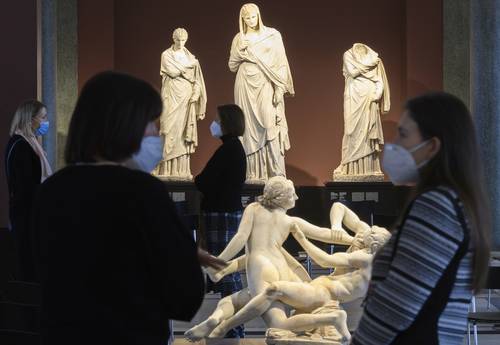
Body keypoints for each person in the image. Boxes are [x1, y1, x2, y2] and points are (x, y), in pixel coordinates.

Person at [32, 71, 221, 345]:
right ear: (124, 124)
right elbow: (184, 297)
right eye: (152, 124)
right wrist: (181, 251)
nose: (158, 134)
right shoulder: (143, 192)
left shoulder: (52, 190)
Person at [352, 92, 491, 345]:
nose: (393, 144)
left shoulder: (437, 206)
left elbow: (399, 302)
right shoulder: (452, 200)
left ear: (432, 146)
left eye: (403, 135)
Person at [186, 176, 356, 340]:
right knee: (232, 300)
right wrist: (355, 238)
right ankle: (216, 319)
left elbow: (241, 238)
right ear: (281, 197)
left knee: (278, 324)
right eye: (292, 194)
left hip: (261, 267)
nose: (296, 196)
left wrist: (218, 261)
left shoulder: (253, 208)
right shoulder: (290, 221)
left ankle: (331, 319)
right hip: (283, 268)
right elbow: (323, 233)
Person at [194, 104, 247, 338]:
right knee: (225, 268)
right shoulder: (233, 149)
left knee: (223, 268)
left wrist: (201, 181)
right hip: (227, 212)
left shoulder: (228, 150)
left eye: (217, 119)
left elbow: (203, 181)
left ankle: (231, 325)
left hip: (221, 214)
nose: (213, 123)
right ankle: (230, 324)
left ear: (226, 123)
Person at [229, 3, 294, 182]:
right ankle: (251, 173)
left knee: (269, 124)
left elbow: (281, 64)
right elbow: (232, 65)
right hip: (244, 83)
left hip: (265, 82)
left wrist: (279, 89)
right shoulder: (239, 38)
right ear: (242, 20)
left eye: (253, 16)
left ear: (259, 15)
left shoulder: (272, 35)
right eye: (247, 18)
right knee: (247, 130)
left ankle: (275, 173)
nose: (251, 21)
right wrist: (240, 53)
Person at [5, 99, 52, 281]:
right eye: (43, 117)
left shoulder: (29, 142)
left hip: (29, 211)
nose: (46, 121)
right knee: (27, 265)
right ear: (29, 119)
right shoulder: (21, 145)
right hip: (26, 213)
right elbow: (25, 186)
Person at [334, 43, 390, 180]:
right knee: (350, 131)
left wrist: (377, 93)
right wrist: (370, 63)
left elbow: (380, 81)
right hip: (353, 97)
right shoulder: (348, 55)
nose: (359, 54)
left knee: (367, 132)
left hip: (369, 98)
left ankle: (370, 168)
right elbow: (352, 73)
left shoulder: (374, 59)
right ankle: (348, 166)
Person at [156, 27, 206, 179]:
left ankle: (181, 170)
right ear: (173, 39)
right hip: (171, 95)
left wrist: (196, 94)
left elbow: (197, 80)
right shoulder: (166, 55)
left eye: (183, 40)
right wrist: (189, 67)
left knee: (183, 132)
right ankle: (165, 168)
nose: (180, 43)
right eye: (178, 40)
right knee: (168, 127)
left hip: (185, 97)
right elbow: (171, 71)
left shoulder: (191, 57)